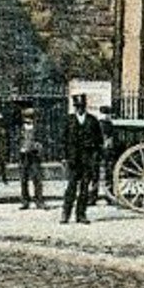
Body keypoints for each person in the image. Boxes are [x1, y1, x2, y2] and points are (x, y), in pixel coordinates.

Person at [60, 93, 101, 225]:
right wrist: (64, 157)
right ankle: (65, 214)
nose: (80, 109)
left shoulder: (92, 120)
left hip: (87, 159)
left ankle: (81, 214)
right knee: (71, 187)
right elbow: (63, 140)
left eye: (82, 106)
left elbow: (98, 140)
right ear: (74, 107)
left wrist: (95, 158)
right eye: (77, 106)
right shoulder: (68, 120)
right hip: (73, 159)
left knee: (84, 188)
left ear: (85, 106)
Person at [17, 107, 45, 210]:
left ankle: (39, 200)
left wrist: (37, 146)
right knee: (24, 179)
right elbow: (16, 140)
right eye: (26, 117)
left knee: (37, 178)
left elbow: (41, 141)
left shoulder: (37, 129)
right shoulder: (20, 129)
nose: (28, 120)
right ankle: (25, 201)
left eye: (30, 117)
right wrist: (20, 147)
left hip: (34, 155)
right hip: (23, 155)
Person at [92, 104, 116, 205]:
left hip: (103, 152)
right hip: (100, 152)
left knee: (104, 175)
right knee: (97, 175)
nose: (106, 116)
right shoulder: (103, 124)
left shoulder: (105, 124)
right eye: (105, 114)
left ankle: (106, 196)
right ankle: (100, 196)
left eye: (107, 114)